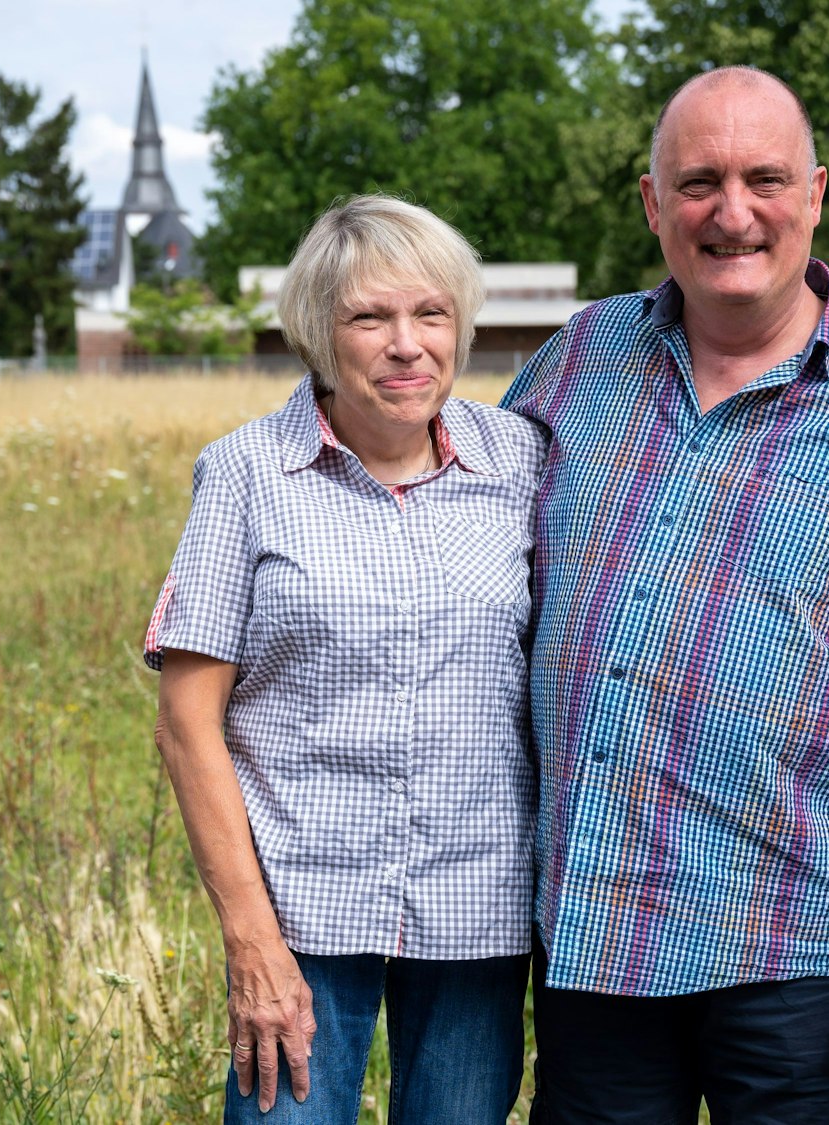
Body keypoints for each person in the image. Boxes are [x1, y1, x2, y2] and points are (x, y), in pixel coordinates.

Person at [502, 66, 829, 1124]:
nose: (731, 213)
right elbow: (458, 554)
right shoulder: (574, 363)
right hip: (591, 937)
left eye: (763, 179)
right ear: (653, 205)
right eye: (696, 182)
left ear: (815, 195)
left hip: (794, 946)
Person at [144, 194, 544, 1123]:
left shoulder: (521, 461)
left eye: (430, 314)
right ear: (321, 334)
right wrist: (250, 939)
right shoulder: (244, 473)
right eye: (371, 317)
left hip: (475, 911)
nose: (407, 344)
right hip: (299, 916)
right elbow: (186, 725)